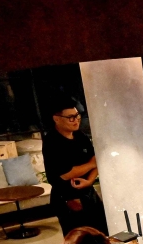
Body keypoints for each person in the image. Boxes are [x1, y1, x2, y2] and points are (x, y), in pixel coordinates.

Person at [43, 98, 107, 235]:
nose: (76, 120)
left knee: (102, 232)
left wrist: (89, 180)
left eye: (77, 116)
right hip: (66, 196)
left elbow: (95, 160)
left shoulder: (81, 136)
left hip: (88, 191)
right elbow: (66, 173)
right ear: (57, 119)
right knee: (79, 238)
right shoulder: (52, 141)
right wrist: (91, 164)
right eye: (70, 117)